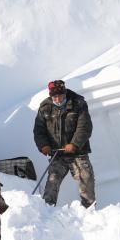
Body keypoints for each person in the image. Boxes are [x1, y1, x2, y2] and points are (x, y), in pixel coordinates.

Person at [33, 79, 96, 208]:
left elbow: (85, 127)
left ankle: (89, 209)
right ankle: (46, 210)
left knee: (86, 178)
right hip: (57, 154)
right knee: (52, 182)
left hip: (78, 152)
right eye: (54, 96)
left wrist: (74, 144)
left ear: (65, 93)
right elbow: (39, 130)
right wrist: (43, 146)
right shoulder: (45, 108)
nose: (57, 99)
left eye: (60, 95)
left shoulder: (78, 104)